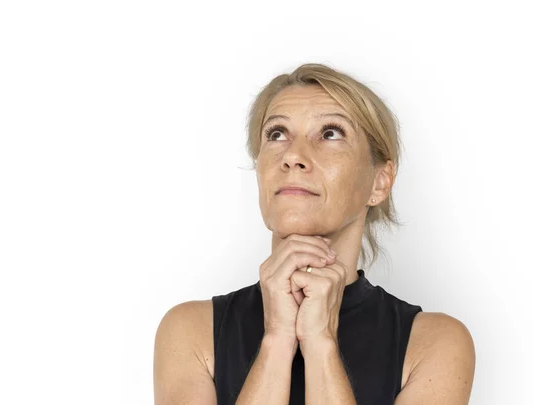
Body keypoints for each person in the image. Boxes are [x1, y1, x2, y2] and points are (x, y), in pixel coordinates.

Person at [153, 63, 476, 405]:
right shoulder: (190, 331)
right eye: (276, 134)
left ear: (379, 182)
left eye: (330, 133)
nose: (292, 155)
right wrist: (277, 339)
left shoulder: (435, 343)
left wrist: (321, 342)